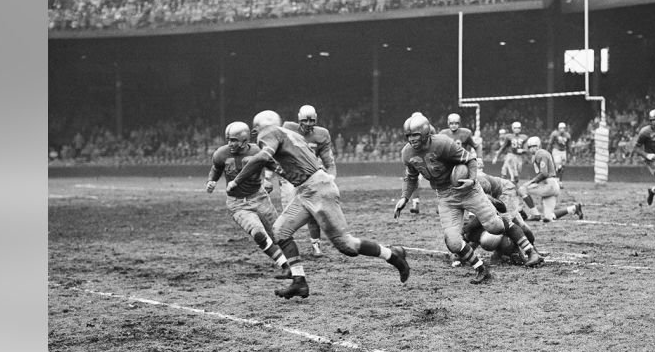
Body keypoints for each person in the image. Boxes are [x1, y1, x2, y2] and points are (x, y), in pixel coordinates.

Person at [231, 110, 410, 299]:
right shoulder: (288, 133)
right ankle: (299, 282)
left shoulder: (268, 134)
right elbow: (271, 160)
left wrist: (237, 181)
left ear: (256, 130)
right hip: (306, 189)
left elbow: (262, 157)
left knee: (346, 246)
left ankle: (394, 256)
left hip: (317, 188)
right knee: (280, 232)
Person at [394, 113, 543, 285]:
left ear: (426, 133)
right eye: (409, 135)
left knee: (494, 228)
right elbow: (411, 177)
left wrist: (471, 180)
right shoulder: (406, 153)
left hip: (468, 190)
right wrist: (404, 197)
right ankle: (481, 269)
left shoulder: (443, 143)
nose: (411, 139)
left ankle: (527, 248)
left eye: (415, 135)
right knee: (453, 241)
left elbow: (470, 159)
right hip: (445, 196)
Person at [206, 121, 291, 279]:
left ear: (245, 140)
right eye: (229, 140)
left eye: (234, 140)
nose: (230, 143)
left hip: (259, 197)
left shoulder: (256, 150)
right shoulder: (221, 154)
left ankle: (292, 262)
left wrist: (267, 179)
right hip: (237, 204)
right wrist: (211, 181)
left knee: (279, 233)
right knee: (258, 234)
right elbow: (216, 169)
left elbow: (270, 165)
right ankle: (285, 266)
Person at [274, 104, 335, 257]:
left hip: (310, 178)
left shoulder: (322, 134)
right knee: (289, 213)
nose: (308, 124)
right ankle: (287, 247)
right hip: (290, 176)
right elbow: (274, 146)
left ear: (316, 120)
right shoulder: (287, 128)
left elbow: (329, 161)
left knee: (313, 211)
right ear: (299, 119)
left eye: (312, 120)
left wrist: (331, 177)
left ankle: (316, 246)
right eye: (305, 121)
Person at [521, 136, 583, 222]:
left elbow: (544, 173)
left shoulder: (540, 153)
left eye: (534, 146)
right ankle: (573, 208)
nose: (531, 149)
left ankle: (534, 214)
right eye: (530, 147)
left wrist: (532, 182)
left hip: (549, 185)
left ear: (538, 146)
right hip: (553, 186)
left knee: (522, 189)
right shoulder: (540, 154)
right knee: (548, 217)